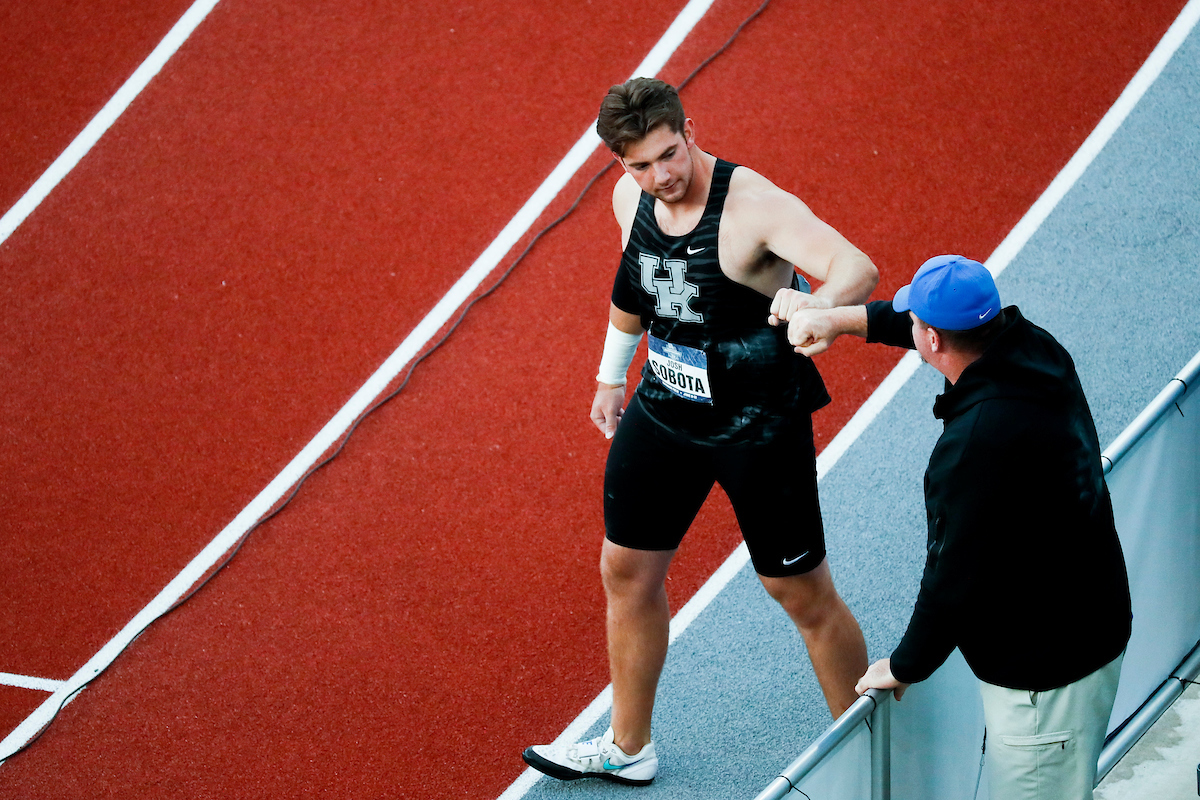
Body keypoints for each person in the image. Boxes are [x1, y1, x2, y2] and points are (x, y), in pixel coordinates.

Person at [521, 77, 877, 786]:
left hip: (757, 424)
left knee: (800, 593)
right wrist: (609, 376)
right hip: (666, 408)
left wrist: (823, 308)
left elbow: (855, 268)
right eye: (640, 166)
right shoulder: (633, 198)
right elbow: (634, 287)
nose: (660, 177)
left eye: (668, 156)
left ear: (690, 131)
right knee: (625, 570)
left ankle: (872, 755)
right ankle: (629, 747)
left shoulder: (751, 206)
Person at [770, 254, 1132, 800]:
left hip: (1046, 671)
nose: (908, 325)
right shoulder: (1033, 345)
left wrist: (906, 663)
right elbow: (910, 326)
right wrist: (838, 318)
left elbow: (952, 571)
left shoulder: (973, 447)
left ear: (935, 340)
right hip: (1091, 616)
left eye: (918, 322)